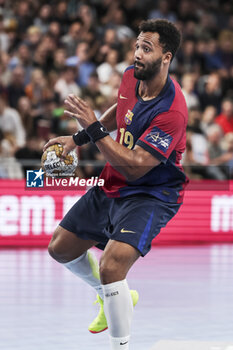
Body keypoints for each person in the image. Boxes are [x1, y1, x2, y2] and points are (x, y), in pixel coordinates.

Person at [44, 19, 188, 350]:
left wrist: (92, 128)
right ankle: (107, 299)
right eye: (137, 45)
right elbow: (120, 112)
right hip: (114, 183)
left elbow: (136, 167)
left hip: (151, 194)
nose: (137, 53)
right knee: (60, 248)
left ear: (166, 58)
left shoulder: (172, 112)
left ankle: (120, 346)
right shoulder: (130, 76)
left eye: (146, 49)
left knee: (111, 266)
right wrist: (78, 137)